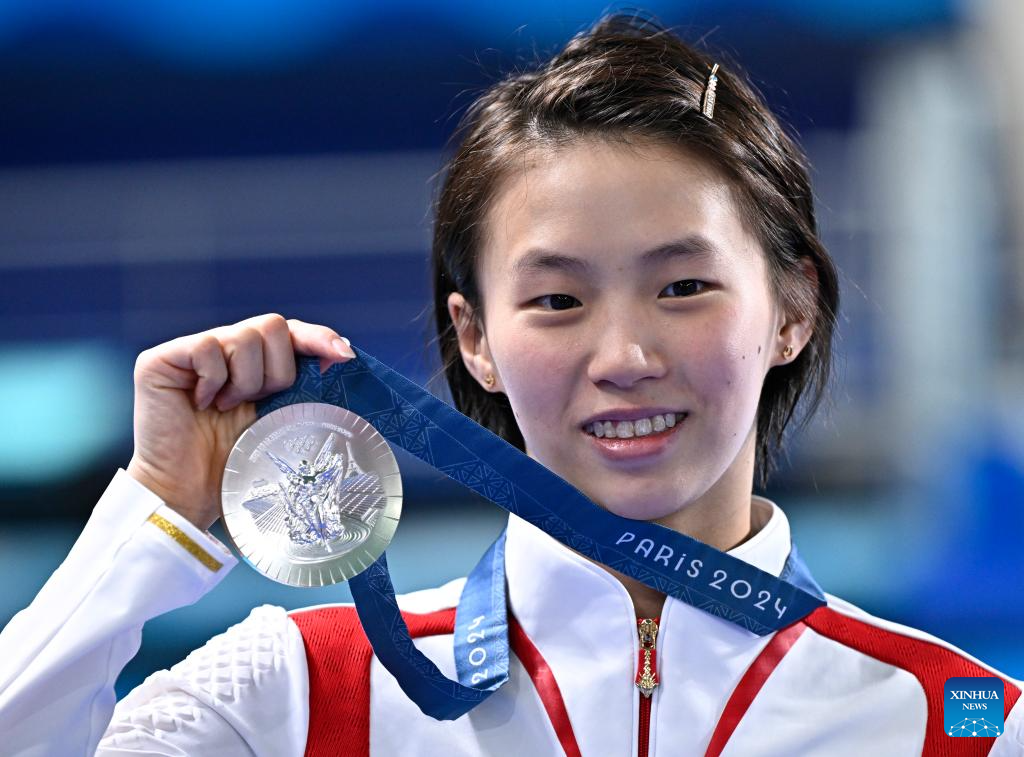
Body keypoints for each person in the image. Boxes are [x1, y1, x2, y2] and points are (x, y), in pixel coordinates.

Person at [1, 13, 1021, 757]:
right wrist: (154, 520)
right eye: (557, 300)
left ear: (791, 308)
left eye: (682, 286)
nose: (624, 355)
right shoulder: (296, 695)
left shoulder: (960, 722)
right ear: (475, 338)